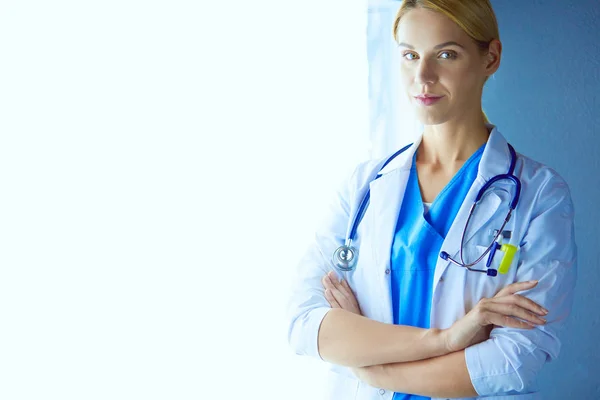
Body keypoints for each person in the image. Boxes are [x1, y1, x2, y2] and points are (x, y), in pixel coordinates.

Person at [285, 0, 577, 399]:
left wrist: (369, 365)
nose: (423, 76)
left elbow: (514, 360)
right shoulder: (365, 186)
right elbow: (304, 323)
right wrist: (447, 340)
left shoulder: (540, 195)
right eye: (410, 55)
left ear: (490, 57)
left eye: (446, 54)